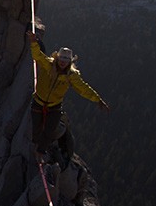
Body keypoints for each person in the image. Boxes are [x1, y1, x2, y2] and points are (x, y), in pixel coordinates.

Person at [27, 30, 109, 166]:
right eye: (61, 59)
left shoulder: (72, 76)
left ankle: (40, 152)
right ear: (57, 58)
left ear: (70, 61)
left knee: (49, 130)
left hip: (54, 106)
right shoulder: (48, 65)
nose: (63, 63)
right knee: (36, 129)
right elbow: (37, 56)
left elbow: (84, 88)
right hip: (38, 101)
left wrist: (97, 99)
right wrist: (33, 42)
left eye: (66, 60)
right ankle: (36, 145)